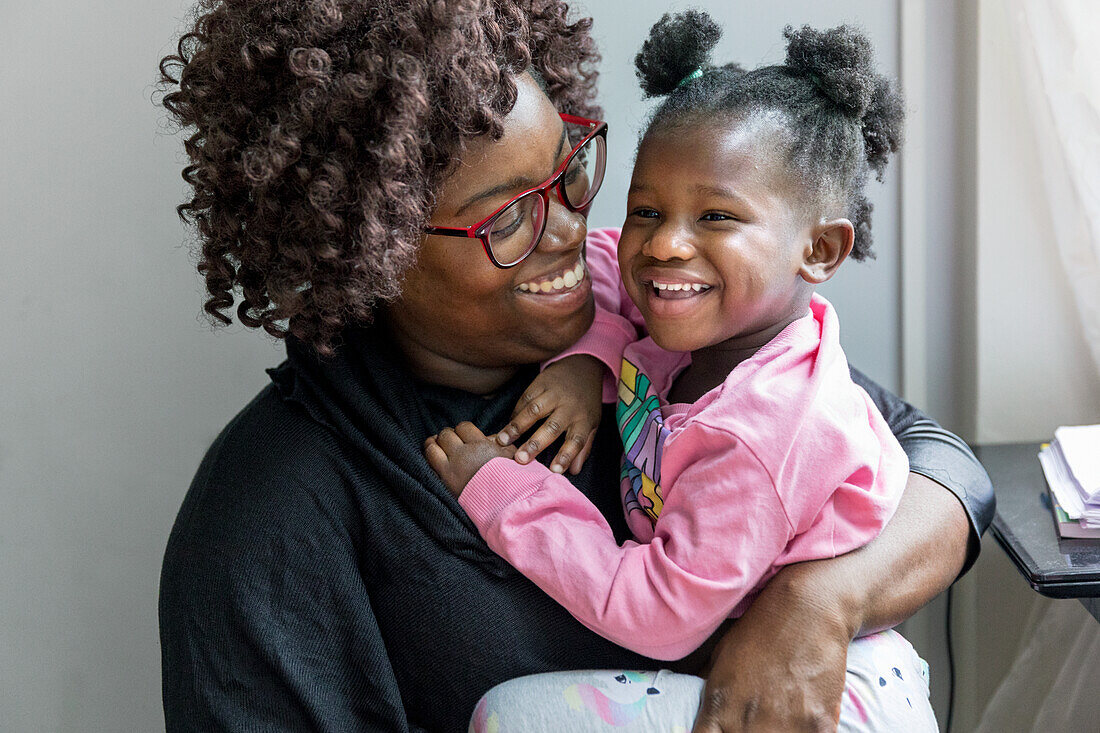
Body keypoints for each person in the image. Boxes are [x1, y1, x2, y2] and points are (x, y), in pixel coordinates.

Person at [156, 2, 993, 731]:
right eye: (510, 215)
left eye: (570, 169)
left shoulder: (677, 337)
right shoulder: (268, 510)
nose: (569, 229)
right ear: (374, 243)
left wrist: (816, 603)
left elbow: (943, 465)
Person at [424, 14, 936, 732]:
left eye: (717, 216)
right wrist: (587, 359)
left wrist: (508, 491)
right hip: (749, 658)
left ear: (818, 249)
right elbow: (599, 260)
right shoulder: (720, 329)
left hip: (816, 694)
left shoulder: (761, 435)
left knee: (509, 716)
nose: (666, 243)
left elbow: (659, 614)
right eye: (648, 209)